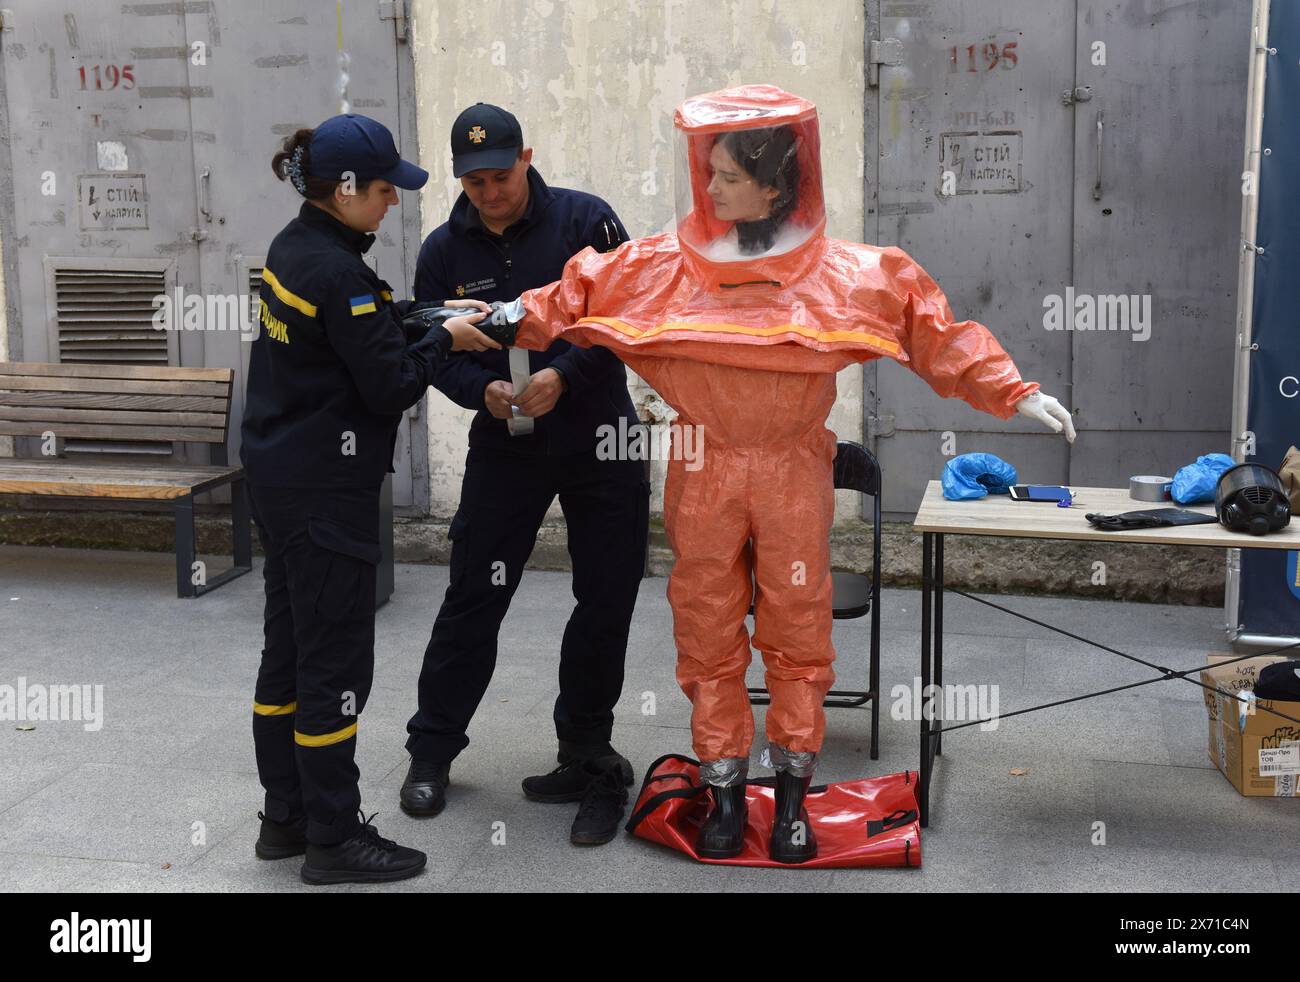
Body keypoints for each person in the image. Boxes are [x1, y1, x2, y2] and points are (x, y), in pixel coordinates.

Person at [468, 84, 1077, 864]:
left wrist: (1013, 390)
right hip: (706, 464)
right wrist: (494, 319)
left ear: (774, 185)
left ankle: (791, 799)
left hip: (792, 468)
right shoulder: (665, 268)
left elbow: (932, 330)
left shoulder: (846, 274)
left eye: (727, 176)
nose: (710, 189)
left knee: (797, 633)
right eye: (707, 173)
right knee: (707, 630)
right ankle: (725, 794)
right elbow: (575, 292)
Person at [241, 113, 498, 885]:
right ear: (347, 189)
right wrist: (445, 341)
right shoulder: (337, 273)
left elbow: (357, 335)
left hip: (282, 482)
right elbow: (388, 383)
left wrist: (428, 316)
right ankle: (334, 839)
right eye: (386, 190)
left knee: (287, 656)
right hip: (327, 495)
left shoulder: (296, 247)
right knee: (334, 669)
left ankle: (285, 819)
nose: (393, 202)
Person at [399, 103, 649, 847]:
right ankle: (431, 751)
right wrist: (483, 390)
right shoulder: (443, 251)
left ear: (526, 158)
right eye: (473, 182)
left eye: (500, 176)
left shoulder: (586, 221)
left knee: (605, 595)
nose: (489, 193)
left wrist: (564, 375)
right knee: (475, 593)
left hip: (599, 434)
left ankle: (585, 748)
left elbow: (625, 316)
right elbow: (434, 349)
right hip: (507, 440)